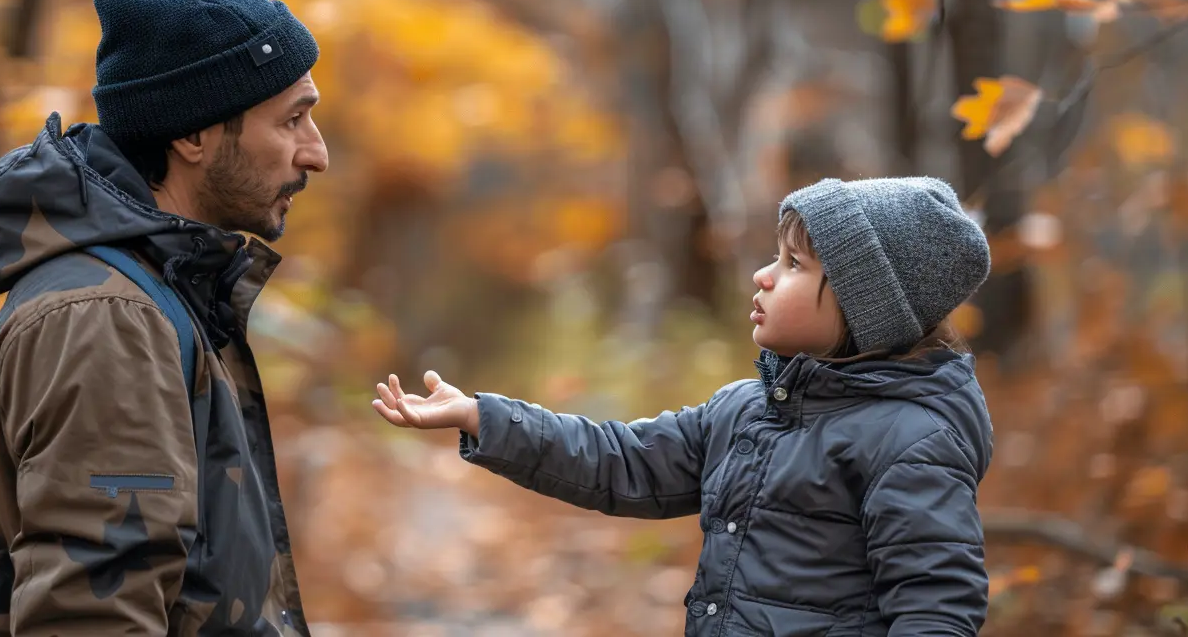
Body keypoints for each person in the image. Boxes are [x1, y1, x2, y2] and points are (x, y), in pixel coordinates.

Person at [374, 176, 994, 637]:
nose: (763, 276)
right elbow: (624, 460)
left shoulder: (911, 442)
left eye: (794, 264)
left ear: (868, 308)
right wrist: (484, 417)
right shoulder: (749, 412)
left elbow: (937, 609)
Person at [0, 0, 327, 636]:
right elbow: (91, 616)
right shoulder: (105, 317)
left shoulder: (161, 291)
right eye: (293, 121)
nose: (317, 154)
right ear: (194, 136)